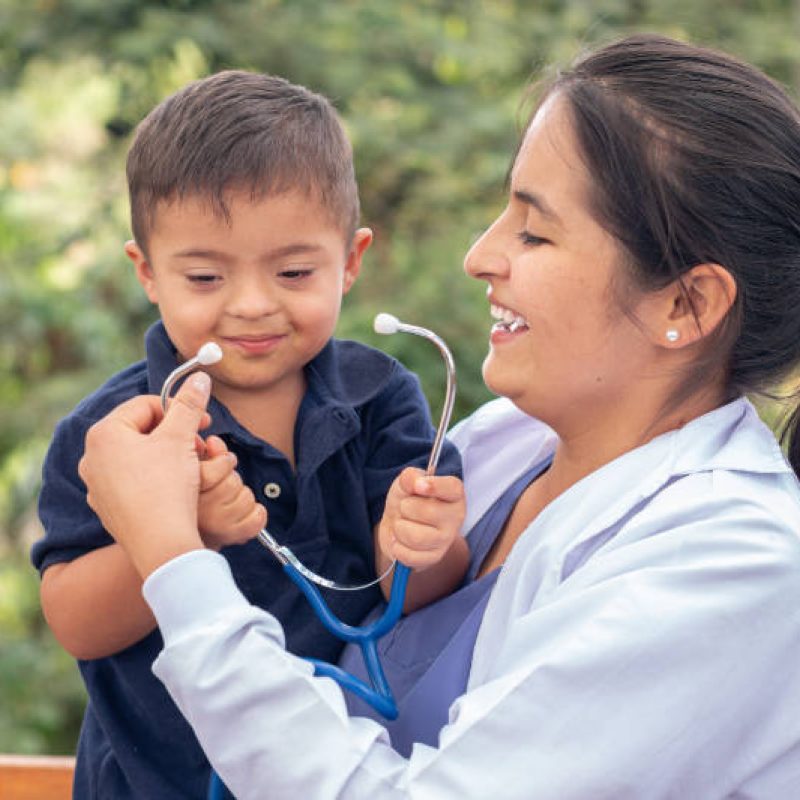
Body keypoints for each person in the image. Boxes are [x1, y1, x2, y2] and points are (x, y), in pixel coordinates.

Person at [78, 34, 800, 798]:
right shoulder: (497, 444)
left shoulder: (737, 564)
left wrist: (171, 557)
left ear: (687, 304)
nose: (480, 254)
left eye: (534, 229)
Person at [32, 71, 465, 799]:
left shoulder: (381, 399)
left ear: (352, 261)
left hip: (338, 769)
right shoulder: (114, 436)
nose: (253, 306)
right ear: (148, 274)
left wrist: (423, 545)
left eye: (294, 271)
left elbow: (419, 591)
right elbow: (76, 623)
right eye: (204, 278)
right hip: (155, 783)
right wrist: (177, 536)